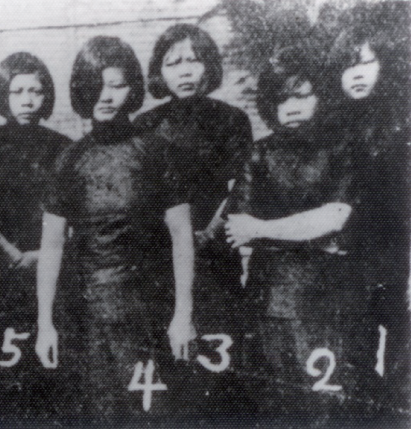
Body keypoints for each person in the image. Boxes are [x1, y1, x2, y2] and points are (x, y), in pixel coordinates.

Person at [34, 36, 196, 426]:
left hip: (149, 311)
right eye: (96, 86)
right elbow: (52, 247)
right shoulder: (69, 160)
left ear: (133, 88)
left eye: (117, 85)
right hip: (87, 315)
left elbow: (182, 235)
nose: (106, 96)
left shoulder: (158, 152)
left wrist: (183, 314)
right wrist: (45, 324)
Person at [225, 45, 363, 427]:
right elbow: (238, 228)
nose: (292, 107)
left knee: (327, 409)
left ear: (321, 97)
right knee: (275, 408)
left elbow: (335, 217)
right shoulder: (259, 153)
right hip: (269, 298)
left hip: (327, 298)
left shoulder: (340, 149)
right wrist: (309, 231)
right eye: (282, 98)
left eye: (302, 95)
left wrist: (265, 228)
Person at [133, 23, 254, 421]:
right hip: (161, 260)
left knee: (220, 371)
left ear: (209, 66)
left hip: (216, 255)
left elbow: (238, 187)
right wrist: (177, 238)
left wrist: (208, 233)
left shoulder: (232, 120)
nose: (184, 71)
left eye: (194, 60)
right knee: (168, 376)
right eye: (173, 63)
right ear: (159, 71)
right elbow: (140, 197)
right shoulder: (145, 126)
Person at [0, 52, 72, 425]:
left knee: (51, 379)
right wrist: (11, 252)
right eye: (17, 91)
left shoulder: (64, 148)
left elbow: (72, 215)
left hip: (52, 273)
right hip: (1, 276)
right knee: (2, 379)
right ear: (3, 96)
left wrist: (42, 254)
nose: (27, 100)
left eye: (36, 91)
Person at [320, 8, 410, 422]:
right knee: (355, 353)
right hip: (349, 257)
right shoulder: (329, 127)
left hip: (396, 254)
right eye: (347, 65)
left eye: (366, 62)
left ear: (383, 65)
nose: (356, 73)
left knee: (402, 352)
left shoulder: (402, 124)